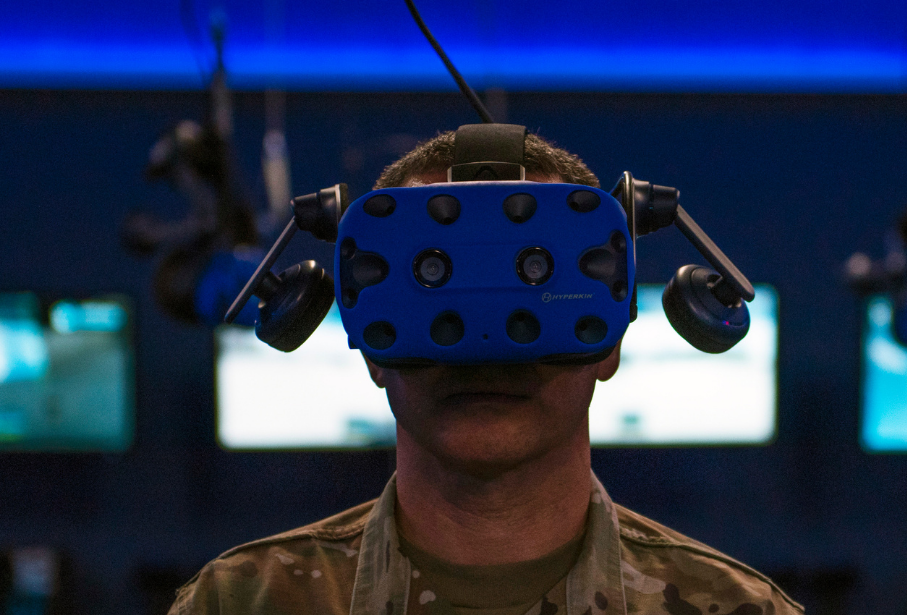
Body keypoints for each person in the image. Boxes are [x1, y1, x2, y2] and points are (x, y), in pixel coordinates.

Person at [168, 130, 803, 615]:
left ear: (611, 339)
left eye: (534, 274)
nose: (486, 347)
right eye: (433, 279)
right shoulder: (237, 603)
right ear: (371, 349)